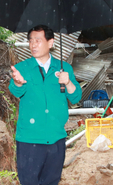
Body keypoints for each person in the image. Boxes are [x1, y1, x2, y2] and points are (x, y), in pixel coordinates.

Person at [9, 25, 82, 185]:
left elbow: (76, 97)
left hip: (56, 138)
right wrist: (18, 82)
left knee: (51, 182)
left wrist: (68, 82)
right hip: (30, 139)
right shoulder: (23, 68)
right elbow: (15, 91)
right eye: (30, 41)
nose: (33, 45)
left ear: (51, 43)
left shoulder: (64, 68)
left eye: (38, 40)